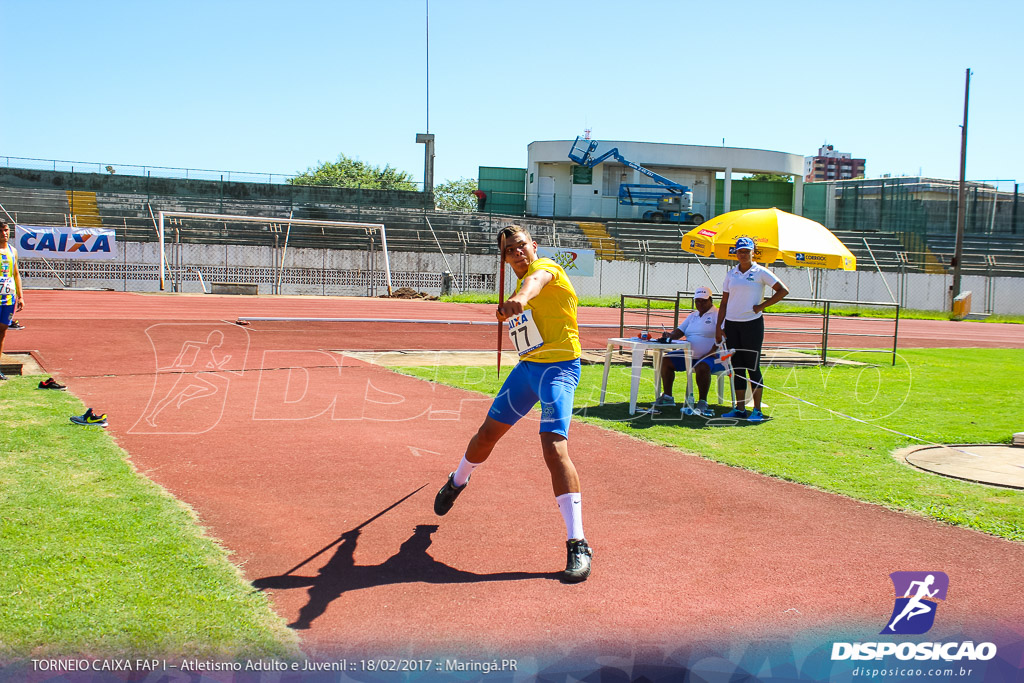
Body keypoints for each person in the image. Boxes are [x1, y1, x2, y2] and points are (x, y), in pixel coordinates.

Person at [433, 225, 592, 583]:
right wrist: (509, 310)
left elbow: (532, 285)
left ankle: (578, 543)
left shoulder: (549, 269)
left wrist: (519, 300)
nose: (517, 253)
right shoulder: (516, 284)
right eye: (509, 251)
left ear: (533, 247)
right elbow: (522, 307)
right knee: (487, 435)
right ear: (504, 258)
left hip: (559, 370)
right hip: (527, 371)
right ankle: (457, 481)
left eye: (521, 246)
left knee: (553, 446)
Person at [715, 236, 789, 422]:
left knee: (752, 366)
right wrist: (719, 326)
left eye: (747, 251)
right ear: (736, 253)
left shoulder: (760, 272)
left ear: (753, 253)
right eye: (740, 251)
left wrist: (761, 306)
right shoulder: (731, 274)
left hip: (752, 324)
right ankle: (740, 408)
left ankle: (757, 411)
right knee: (737, 367)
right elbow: (724, 302)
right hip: (732, 324)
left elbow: (783, 290)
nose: (743, 255)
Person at [655, 285, 725, 417]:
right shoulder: (693, 316)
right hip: (689, 355)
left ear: (710, 300)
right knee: (666, 360)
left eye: (703, 301)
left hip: (713, 356)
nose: (700, 304)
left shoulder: (718, 315)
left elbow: (722, 336)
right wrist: (669, 336)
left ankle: (702, 401)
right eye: (697, 301)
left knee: (702, 366)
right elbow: (679, 331)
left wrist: (711, 351)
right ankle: (668, 397)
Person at [0, 221, 25, 381]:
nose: (4, 233)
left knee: (2, 332)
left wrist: (21, 295)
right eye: (1, 231)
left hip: (8, 297)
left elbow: (16, 274)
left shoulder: (12, 251)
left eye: (6, 230)